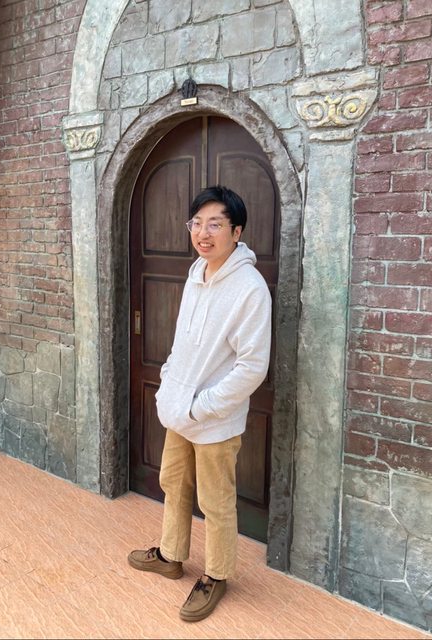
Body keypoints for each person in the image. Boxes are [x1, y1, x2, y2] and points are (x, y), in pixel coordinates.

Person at [128, 185, 272, 622]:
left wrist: (202, 406)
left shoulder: (250, 288)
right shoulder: (197, 273)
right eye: (196, 223)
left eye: (215, 224)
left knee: (216, 501)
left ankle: (215, 576)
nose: (203, 233)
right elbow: (183, 341)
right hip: (180, 410)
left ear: (236, 231)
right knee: (173, 483)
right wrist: (170, 387)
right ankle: (171, 555)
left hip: (214, 419)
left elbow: (252, 367)